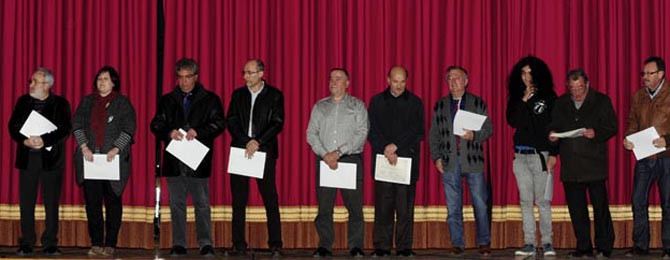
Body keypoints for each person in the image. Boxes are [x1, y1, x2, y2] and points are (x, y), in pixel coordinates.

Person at [150, 58, 225, 257]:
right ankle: (179, 244)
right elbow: (155, 125)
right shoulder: (168, 100)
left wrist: (199, 131)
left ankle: (205, 243)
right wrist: (169, 132)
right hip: (174, 162)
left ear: (196, 77)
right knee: (176, 205)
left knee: (201, 204)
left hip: (198, 161)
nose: (183, 82)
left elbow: (219, 123)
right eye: (180, 77)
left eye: (187, 77)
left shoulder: (210, 99)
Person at [548, 69, 616, 258]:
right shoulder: (561, 103)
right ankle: (584, 247)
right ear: (567, 87)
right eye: (572, 89)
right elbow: (554, 124)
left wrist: (596, 133)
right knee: (577, 209)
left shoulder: (601, 101)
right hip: (571, 164)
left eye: (580, 88)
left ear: (587, 85)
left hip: (594, 163)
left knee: (600, 208)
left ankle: (604, 246)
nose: (576, 92)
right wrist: (553, 136)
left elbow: (612, 126)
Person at [72, 66, 137, 257]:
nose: (102, 82)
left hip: (113, 161)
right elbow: (77, 125)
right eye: (99, 78)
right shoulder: (87, 102)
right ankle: (96, 242)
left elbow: (130, 128)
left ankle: (110, 243)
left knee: (113, 203)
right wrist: (84, 147)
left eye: (106, 79)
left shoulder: (123, 103)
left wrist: (116, 148)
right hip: (91, 160)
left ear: (113, 82)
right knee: (92, 204)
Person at [428, 66, 492, 256]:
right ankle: (457, 242)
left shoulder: (477, 103)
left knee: (480, 203)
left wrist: (474, 135)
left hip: (473, 161)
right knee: (453, 206)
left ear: (466, 81)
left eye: (457, 78)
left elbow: (488, 129)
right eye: (449, 79)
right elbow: (433, 135)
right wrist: (436, 157)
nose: (453, 82)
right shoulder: (440, 105)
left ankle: (484, 241)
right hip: (449, 161)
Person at [8, 67, 71, 256]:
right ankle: (27, 242)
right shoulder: (23, 101)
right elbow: (13, 126)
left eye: (34, 81)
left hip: (51, 158)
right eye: (31, 81)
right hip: (28, 158)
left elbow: (65, 128)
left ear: (46, 84)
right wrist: (24, 140)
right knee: (26, 202)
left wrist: (45, 140)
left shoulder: (60, 103)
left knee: (51, 202)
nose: (30, 84)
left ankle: (50, 242)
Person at [306, 68, 368, 257]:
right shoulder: (320, 106)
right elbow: (311, 134)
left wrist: (339, 152)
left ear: (347, 83)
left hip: (350, 160)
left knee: (355, 207)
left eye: (338, 79)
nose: (333, 82)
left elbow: (362, 133)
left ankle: (356, 246)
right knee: (324, 206)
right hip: (325, 161)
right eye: (331, 78)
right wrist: (326, 155)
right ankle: (325, 245)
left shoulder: (357, 106)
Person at [226, 59, 284, 257]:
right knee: (238, 199)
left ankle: (275, 243)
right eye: (244, 72)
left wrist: (257, 141)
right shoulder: (238, 94)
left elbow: (277, 123)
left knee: (270, 197)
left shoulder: (274, 95)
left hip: (264, 151)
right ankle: (238, 243)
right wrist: (246, 141)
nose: (245, 77)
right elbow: (231, 120)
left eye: (250, 73)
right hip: (241, 150)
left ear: (261, 73)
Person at [368, 66, 424, 257]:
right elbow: (372, 130)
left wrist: (395, 147)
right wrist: (386, 147)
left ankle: (404, 248)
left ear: (406, 81)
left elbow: (417, 131)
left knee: (405, 208)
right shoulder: (376, 101)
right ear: (388, 80)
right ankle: (382, 247)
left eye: (402, 81)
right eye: (395, 81)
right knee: (383, 207)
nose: (399, 85)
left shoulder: (415, 102)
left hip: (406, 161)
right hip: (383, 159)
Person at [505, 56, 557, 256]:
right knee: (525, 201)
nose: (526, 77)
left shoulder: (549, 97)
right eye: (523, 73)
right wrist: (524, 101)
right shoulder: (517, 97)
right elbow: (513, 121)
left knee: (543, 201)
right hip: (520, 155)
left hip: (540, 155)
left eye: (530, 72)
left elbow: (554, 128)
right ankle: (528, 242)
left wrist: (553, 153)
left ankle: (547, 242)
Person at [623, 56, 670, 257]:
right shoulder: (638, 96)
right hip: (644, 157)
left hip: (666, 158)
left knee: (668, 204)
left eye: (650, 73)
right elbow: (632, 121)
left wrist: (667, 140)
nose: (645, 78)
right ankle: (641, 245)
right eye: (643, 74)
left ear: (661, 74)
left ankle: (668, 246)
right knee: (638, 201)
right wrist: (628, 138)